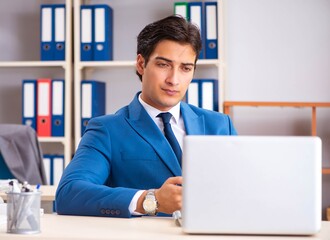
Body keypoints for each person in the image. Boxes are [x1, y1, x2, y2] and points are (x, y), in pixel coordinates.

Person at [55, 15, 237, 218]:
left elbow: (244, 189)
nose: (174, 80)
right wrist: (151, 200)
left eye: (185, 68)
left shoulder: (220, 125)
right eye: (163, 65)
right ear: (141, 64)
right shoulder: (107, 129)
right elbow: (68, 194)